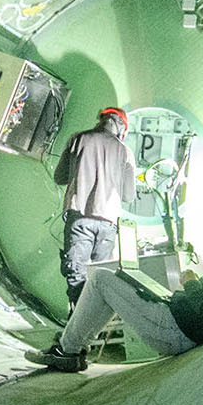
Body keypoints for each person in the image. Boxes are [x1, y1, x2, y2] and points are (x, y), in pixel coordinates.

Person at [27, 188, 203, 372]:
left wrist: (192, 285)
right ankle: (74, 347)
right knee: (116, 281)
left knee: (100, 280)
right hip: (175, 320)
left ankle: (68, 351)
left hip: (175, 331)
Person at [52, 106, 137, 306]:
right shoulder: (125, 151)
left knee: (77, 272)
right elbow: (128, 196)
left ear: (101, 120)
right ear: (122, 128)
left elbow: (59, 177)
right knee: (101, 276)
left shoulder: (78, 139)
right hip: (108, 223)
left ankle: (75, 325)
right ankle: (98, 330)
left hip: (79, 217)